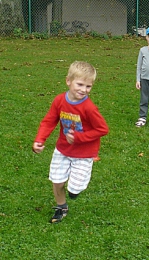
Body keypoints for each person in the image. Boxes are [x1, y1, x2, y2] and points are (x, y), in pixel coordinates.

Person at [32, 61, 109, 223]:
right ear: (68, 81)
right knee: (56, 180)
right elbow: (49, 121)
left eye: (88, 86)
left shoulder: (89, 108)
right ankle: (61, 206)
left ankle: (75, 190)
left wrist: (79, 138)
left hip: (84, 153)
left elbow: (102, 129)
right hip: (62, 149)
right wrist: (40, 139)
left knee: (74, 188)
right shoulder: (60, 101)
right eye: (80, 84)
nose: (83, 90)